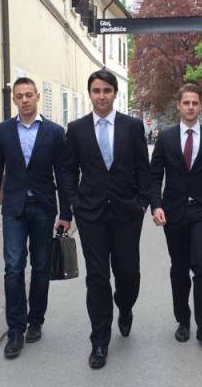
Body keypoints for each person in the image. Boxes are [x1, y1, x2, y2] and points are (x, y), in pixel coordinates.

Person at [62, 69, 150, 369]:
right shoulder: (76, 129)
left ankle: (124, 307)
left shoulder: (132, 126)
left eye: (106, 91)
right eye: (96, 91)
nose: (101, 96)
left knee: (128, 272)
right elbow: (68, 171)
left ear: (115, 93)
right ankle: (99, 340)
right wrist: (75, 203)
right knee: (97, 277)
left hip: (127, 213)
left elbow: (143, 168)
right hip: (91, 215)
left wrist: (141, 203)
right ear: (90, 94)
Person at [0, 77, 71, 359]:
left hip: (44, 208)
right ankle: (15, 329)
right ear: (14, 100)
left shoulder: (54, 132)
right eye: (19, 96)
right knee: (13, 267)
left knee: (41, 267)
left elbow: (64, 175)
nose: (25, 100)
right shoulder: (4, 131)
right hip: (13, 209)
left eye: (29, 95)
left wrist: (66, 213)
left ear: (36, 97)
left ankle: (36, 321)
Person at [149, 83, 202, 354]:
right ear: (179, 106)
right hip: (173, 211)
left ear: (200, 106)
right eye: (186, 103)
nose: (191, 107)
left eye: (195, 103)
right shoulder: (166, 138)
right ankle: (183, 320)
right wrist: (156, 206)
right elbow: (155, 176)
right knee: (179, 267)